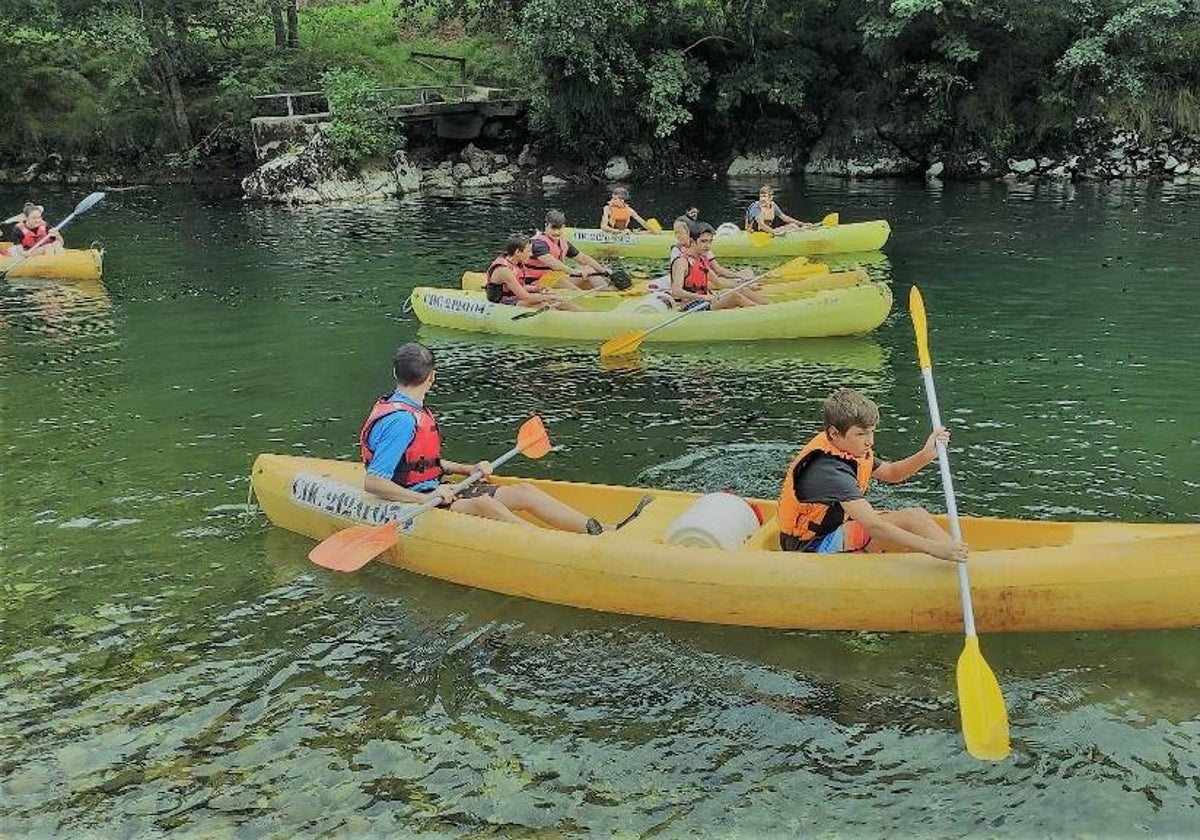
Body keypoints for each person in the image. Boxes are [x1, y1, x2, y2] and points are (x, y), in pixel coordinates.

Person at [361, 343, 648, 533]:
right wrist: (428, 494)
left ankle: (603, 530)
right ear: (432, 377)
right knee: (486, 505)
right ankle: (554, 548)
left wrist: (466, 469)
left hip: (436, 489)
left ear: (395, 374)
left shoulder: (412, 409)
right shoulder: (400, 421)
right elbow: (374, 482)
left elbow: (421, 461)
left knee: (525, 492)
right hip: (417, 500)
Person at [776, 388, 969, 562]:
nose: (870, 441)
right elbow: (873, 527)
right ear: (834, 433)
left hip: (833, 528)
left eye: (872, 432)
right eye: (861, 434)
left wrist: (926, 455)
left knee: (917, 516)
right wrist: (933, 548)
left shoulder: (847, 448)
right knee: (912, 519)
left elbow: (892, 473)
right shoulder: (829, 470)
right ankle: (958, 560)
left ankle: (958, 556)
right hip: (810, 548)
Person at [669, 222, 766, 309]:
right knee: (735, 296)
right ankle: (764, 313)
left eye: (710, 241)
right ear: (693, 241)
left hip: (705, 300)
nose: (707, 245)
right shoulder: (682, 262)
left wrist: (742, 281)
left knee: (742, 290)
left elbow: (719, 283)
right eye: (703, 241)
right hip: (691, 306)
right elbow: (676, 291)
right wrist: (703, 297)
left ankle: (770, 307)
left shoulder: (701, 260)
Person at [484, 234, 582, 311]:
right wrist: (550, 297)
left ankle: (584, 315)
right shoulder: (504, 270)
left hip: (513, 297)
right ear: (518, 252)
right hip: (501, 303)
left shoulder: (516, 262)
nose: (531, 254)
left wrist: (536, 288)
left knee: (549, 298)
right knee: (544, 303)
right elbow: (527, 298)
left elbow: (519, 286)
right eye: (529, 251)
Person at [524, 210, 615, 291]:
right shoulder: (537, 243)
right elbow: (552, 263)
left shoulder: (563, 242)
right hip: (536, 282)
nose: (556, 232)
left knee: (590, 270)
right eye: (553, 228)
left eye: (559, 228)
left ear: (564, 227)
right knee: (559, 280)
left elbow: (583, 258)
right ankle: (582, 295)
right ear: (546, 225)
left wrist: (603, 271)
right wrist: (574, 272)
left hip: (556, 278)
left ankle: (607, 291)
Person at [744, 186, 814, 236]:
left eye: (764, 196)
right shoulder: (756, 207)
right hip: (755, 234)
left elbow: (784, 217)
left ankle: (806, 228)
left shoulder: (773, 205)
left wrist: (802, 224)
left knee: (793, 225)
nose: (762, 199)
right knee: (793, 227)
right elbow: (761, 225)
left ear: (771, 197)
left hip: (768, 233)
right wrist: (775, 233)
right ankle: (805, 231)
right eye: (761, 196)